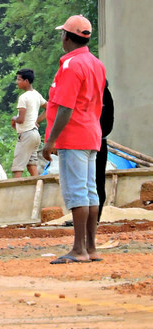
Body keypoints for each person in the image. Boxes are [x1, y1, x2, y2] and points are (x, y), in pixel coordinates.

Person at [42, 15, 106, 264]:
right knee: (90, 192)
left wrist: (51, 141)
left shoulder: (71, 66)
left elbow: (65, 107)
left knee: (77, 192)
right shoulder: (96, 64)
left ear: (67, 37)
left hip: (73, 135)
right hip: (91, 133)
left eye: (62, 34)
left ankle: (78, 249)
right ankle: (90, 247)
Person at [10, 69, 46, 177]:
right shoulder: (36, 95)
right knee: (32, 165)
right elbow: (48, 108)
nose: (17, 82)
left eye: (19, 79)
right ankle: (38, 188)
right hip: (35, 134)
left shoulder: (23, 97)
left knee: (18, 167)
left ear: (26, 81)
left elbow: (21, 119)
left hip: (26, 134)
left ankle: (15, 192)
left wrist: (13, 118)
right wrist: (36, 121)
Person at [95, 82, 114, 221]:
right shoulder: (106, 94)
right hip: (100, 140)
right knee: (98, 180)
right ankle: (94, 218)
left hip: (95, 141)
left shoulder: (99, 95)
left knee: (94, 181)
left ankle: (93, 218)